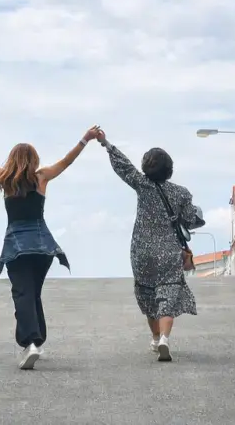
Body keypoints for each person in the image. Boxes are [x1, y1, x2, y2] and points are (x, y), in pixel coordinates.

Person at [0, 126, 101, 370]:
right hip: (43, 246)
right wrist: (84, 139)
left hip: (16, 246)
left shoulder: (4, 178)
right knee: (32, 293)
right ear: (34, 160)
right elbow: (67, 161)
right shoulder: (42, 177)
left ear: (12, 159)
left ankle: (30, 344)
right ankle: (36, 340)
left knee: (22, 294)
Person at [94, 129, 205, 362]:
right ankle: (165, 337)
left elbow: (123, 166)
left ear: (147, 167)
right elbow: (190, 220)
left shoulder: (142, 185)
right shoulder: (181, 193)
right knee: (168, 293)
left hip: (142, 251)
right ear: (170, 169)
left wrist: (106, 143)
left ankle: (155, 339)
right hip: (168, 251)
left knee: (147, 293)